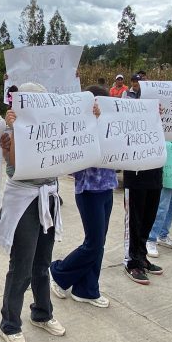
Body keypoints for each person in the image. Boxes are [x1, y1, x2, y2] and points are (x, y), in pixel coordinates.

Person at [0, 83, 67, 342]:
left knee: (42, 263)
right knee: (22, 265)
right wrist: (14, 130)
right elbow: (16, 166)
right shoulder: (10, 129)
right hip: (24, 201)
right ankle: (10, 324)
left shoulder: (53, 127)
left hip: (48, 197)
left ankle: (42, 313)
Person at [50, 85, 116, 308]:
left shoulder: (110, 124)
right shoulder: (78, 126)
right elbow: (72, 163)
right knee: (93, 244)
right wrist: (92, 123)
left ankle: (87, 289)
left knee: (99, 243)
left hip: (108, 188)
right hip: (88, 191)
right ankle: (58, 272)